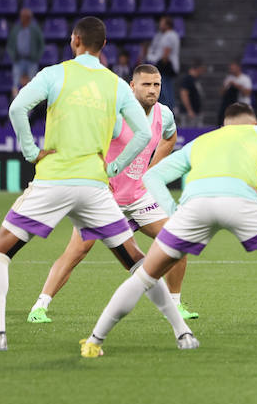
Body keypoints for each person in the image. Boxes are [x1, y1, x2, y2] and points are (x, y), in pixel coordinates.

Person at [0, 16, 191, 353]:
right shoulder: (117, 84)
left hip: (54, 178)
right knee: (136, 260)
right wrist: (116, 164)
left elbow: (17, 107)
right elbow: (146, 134)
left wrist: (31, 150)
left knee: (1, 250)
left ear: (75, 40)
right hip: (95, 184)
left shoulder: (54, 73)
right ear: (103, 47)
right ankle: (182, 332)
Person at [81, 102, 257, 359]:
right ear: (252, 122)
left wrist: (173, 210)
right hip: (241, 200)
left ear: (225, 125)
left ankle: (94, 342)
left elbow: (152, 176)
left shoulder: (203, 141)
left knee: (144, 277)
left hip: (194, 205)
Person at [29, 65, 199, 324]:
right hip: (103, 198)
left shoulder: (163, 114)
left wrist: (152, 172)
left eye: (156, 85)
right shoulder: (116, 113)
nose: (152, 90)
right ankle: (40, 305)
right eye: (146, 85)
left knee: (178, 239)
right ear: (132, 86)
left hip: (139, 196)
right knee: (77, 251)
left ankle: (175, 304)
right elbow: (84, 140)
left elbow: (170, 138)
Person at [146, 15, 181, 109]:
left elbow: (166, 52)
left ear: (167, 25)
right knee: (165, 91)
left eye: (162, 23)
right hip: (163, 66)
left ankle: (168, 112)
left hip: (165, 66)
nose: (160, 25)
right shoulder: (164, 35)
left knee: (166, 92)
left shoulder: (170, 36)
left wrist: (161, 64)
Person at [6, 8, 44, 92]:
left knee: (33, 85)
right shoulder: (16, 29)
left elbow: (41, 44)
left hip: (32, 61)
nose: (24, 18)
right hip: (18, 60)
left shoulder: (35, 29)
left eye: (26, 16)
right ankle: (15, 102)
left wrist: (36, 57)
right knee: (15, 85)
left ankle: (33, 104)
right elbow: (10, 45)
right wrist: (13, 56)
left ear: (30, 17)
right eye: (23, 16)